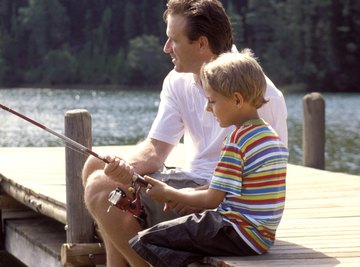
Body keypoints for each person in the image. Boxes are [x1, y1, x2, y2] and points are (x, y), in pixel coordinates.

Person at [82, 0, 288, 266]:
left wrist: (190, 195)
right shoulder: (177, 79)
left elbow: (266, 175)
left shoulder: (261, 95)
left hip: (221, 202)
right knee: (97, 165)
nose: (166, 48)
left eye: (173, 40)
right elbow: (156, 148)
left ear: (202, 44)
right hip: (195, 184)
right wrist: (125, 169)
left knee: (100, 186)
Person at [129, 50, 289, 267]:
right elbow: (229, 189)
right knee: (177, 233)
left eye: (212, 101)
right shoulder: (269, 136)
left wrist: (168, 193)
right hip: (262, 238)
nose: (208, 108)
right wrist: (185, 193)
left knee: (146, 239)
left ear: (237, 99)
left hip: (234, 231)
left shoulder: (237, 140)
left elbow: (211, 200)